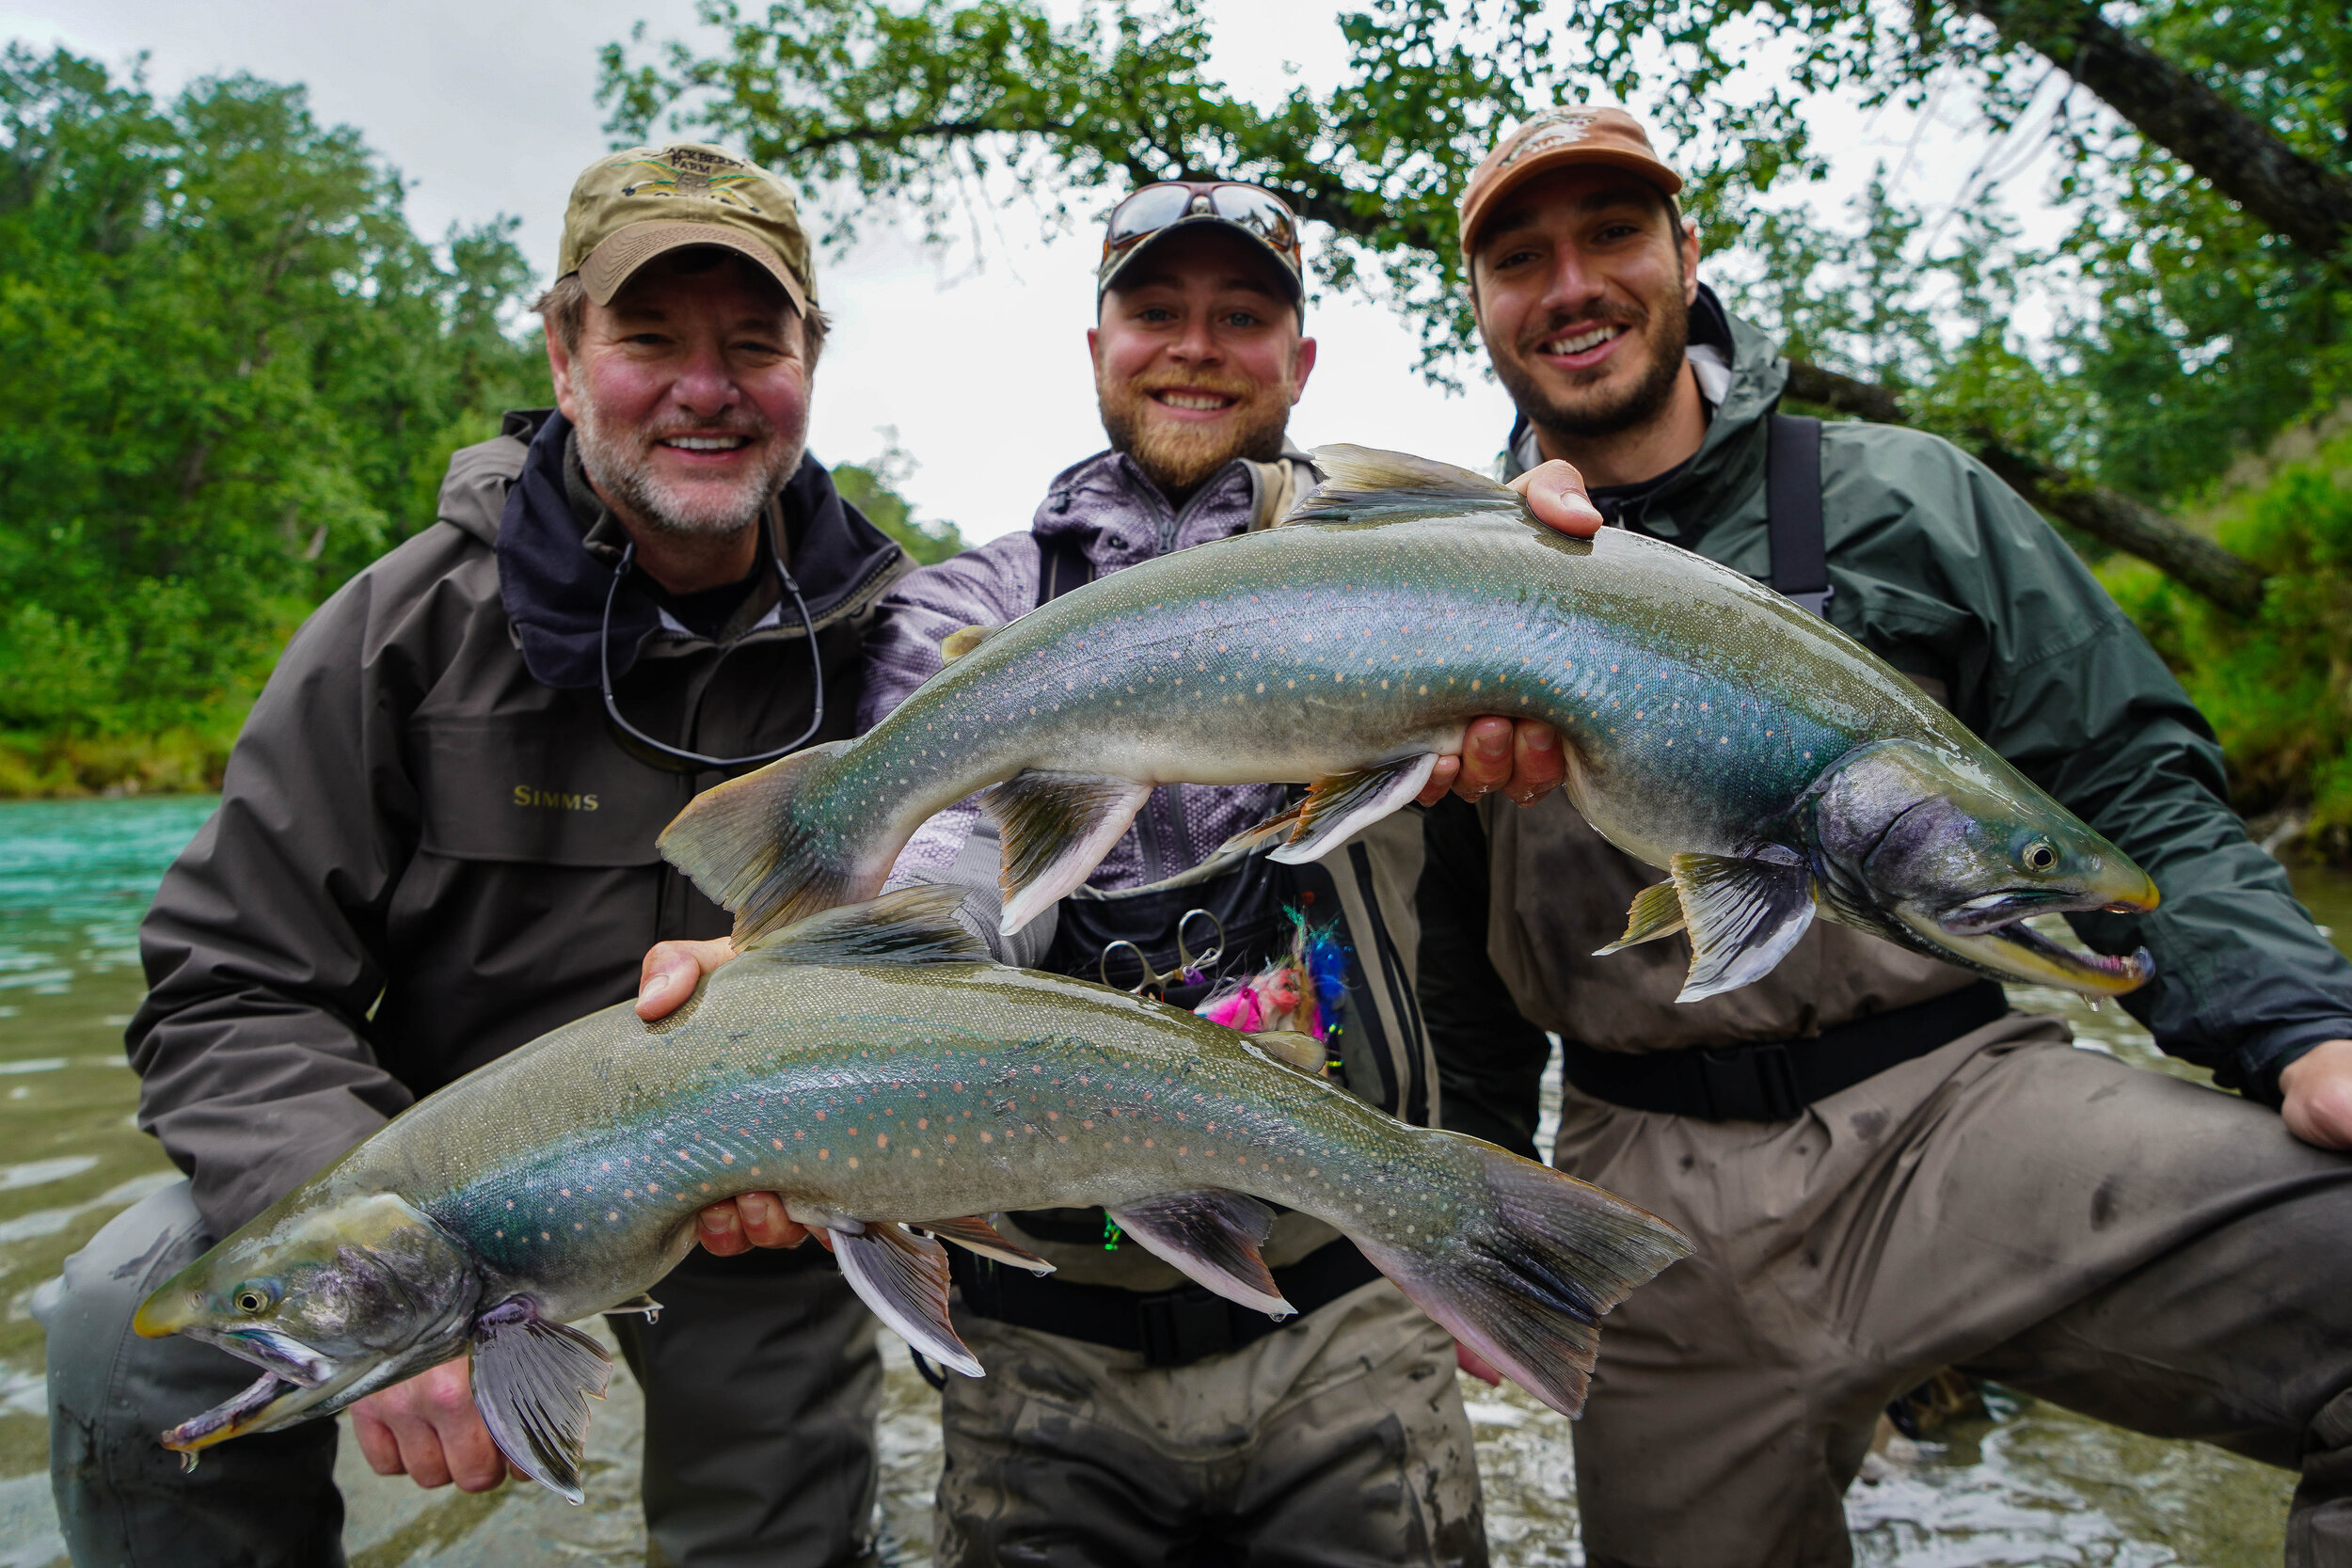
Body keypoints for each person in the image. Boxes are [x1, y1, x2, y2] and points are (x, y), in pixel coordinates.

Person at [1414, 104, 2352, 1567]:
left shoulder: (1912, 499)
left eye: (1612, 233)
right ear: (1478, 308)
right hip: (1637, 1191)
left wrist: (2297, 1025)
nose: (1574, 284)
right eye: (1521, 258)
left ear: (1687, 251)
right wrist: (1475, 1208)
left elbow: (2132, 791)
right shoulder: (1446, 583)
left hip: (1957, 1116)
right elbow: (1451, 966)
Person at [640, 179, 1597, 1568]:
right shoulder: (967, 610)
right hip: (1044, 1348)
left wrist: (1553, 561)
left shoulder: (1405, 565)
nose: (1196, 346)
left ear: (1302, 362)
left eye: (1241, 316)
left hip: (1341, 1311)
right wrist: (806, 978)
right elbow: (948, 869)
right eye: (1156, 312)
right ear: (1096, 346)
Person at [43, 142, 910, 1568]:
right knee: (124, 1318)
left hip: (754, 1220)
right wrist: (385, 1268)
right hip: (441, 1185)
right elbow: (228, 990)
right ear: (565, 353)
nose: (707, 389)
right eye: (648, 339)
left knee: (786, 1536)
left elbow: (943, 952)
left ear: (811, 360)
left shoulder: (894, 649)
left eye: (754, 344)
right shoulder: (398, 633)